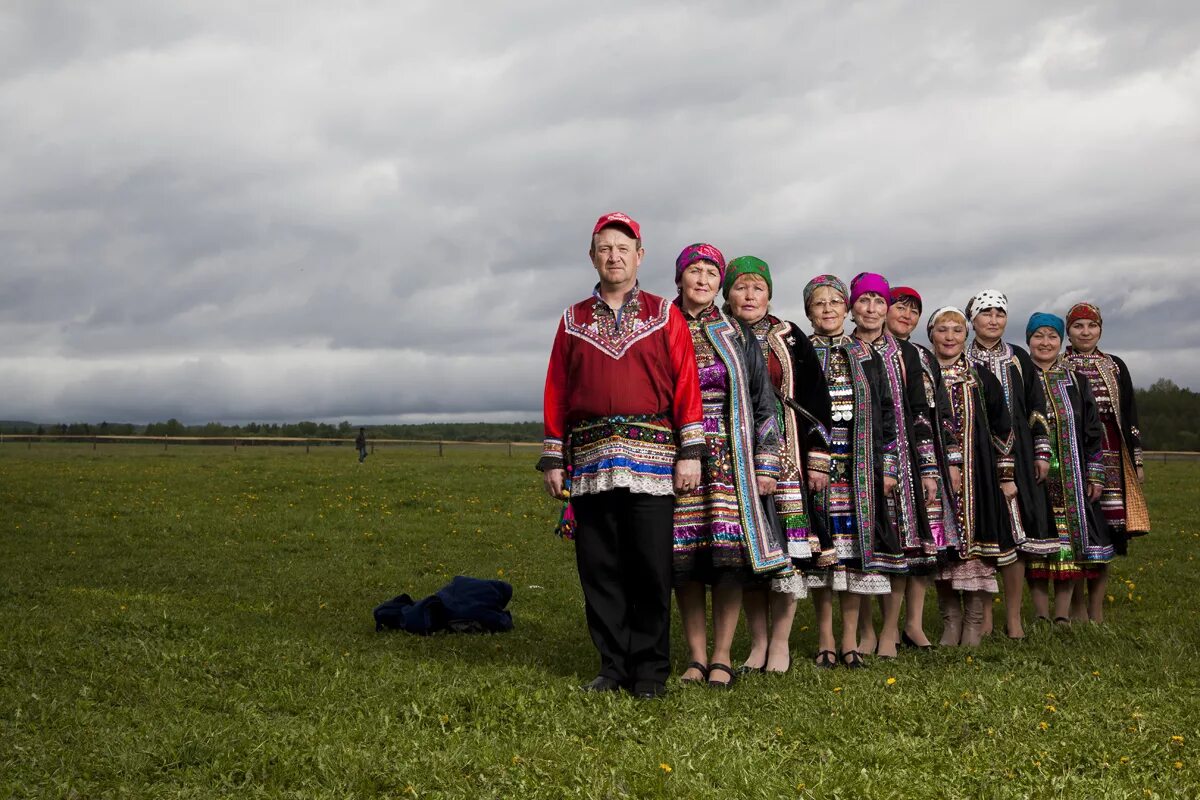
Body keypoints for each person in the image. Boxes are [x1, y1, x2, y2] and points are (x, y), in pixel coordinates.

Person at [538, 212, 704, 699]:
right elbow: (557, 388)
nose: (614, 256)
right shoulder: (573, 319)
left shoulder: (662, 314)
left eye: (623, 248)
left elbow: (685, 383)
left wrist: (689, 453)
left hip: (652, 457)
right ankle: (612, 666)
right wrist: (554, 458)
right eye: (604, 248)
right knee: (600, 566)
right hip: (590, 459)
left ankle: (650, 670)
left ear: (640, 256)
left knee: (650, 565)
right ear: (593, 256)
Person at [671, 245, 791, 689]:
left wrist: (766, 464)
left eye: (710, 273)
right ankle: (696, 656)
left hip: (731, 460)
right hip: (679, 457)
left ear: (718, 283)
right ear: (680, 277)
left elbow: (764, 403)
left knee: (727, 563)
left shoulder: (738, 333)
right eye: (694, 272)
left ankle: (722, 656)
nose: (702, 280)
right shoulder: (664, 324)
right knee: (683, 561)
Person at [722, 256, 832, 674]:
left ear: (769, 294)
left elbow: (816, 398)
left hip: (786, 457)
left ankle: (781, 643)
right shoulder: (719, 334)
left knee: (788, 551)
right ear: (727, 293)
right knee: (752, 552)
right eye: (740, 287)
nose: (749, 296)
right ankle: (758, 643)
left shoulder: (790, 335)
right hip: (734, 455)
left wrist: (818, 459)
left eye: (758, 288)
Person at [803, 274, 902, 668]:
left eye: (834, 302)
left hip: (859, 468)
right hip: (817, 469)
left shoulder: (866, 355)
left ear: (846, 308)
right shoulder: (802, 353)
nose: (828, 309)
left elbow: (887, 414)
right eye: (818, 303)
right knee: (824, 554)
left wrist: (889, 467)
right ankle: (825, 637)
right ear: (809, 311)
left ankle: (850, 640)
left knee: (856, 555)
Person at [848, 274, 939, 659]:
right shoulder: (843, 348)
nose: (871, 309)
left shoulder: (907, 355)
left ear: (887, 308)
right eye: (864, 301)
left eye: (878, 302)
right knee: (862, 545)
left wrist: (929, 467)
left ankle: (890, 631)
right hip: (855, 459)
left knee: (902, 546)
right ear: (852, 306)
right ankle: (864, 628)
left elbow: (922, 413)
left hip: (902, 460)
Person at [965, 289, 1052, 640]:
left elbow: (1036, 406)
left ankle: (1014, 617)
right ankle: (984, 615)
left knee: (1018, 539)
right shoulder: (962, 358)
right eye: (985, 313)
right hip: (978, 456)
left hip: (1022, 456)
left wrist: (1042, 452)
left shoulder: (1018, 359)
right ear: (972, 320)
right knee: (987, 535)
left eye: (999, 314)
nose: (993, 320)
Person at [928, 307, 1018, 646]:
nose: (950, 337)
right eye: (942, 330)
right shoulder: (923, 373)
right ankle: (950, 621)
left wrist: (1005, 476)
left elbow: (1003, 429)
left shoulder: (979, 377)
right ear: (931, 334)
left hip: (977, 478)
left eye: (957, 330)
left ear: (966, 336)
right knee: (942, 550)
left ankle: (974, 622)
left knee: (978, 550)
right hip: (935, 475)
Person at [1024, 313, 1114, 623]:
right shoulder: (1020, 377)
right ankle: (1040, 614)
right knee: (1037, 541)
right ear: (1029, 341)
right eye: (1039, 336)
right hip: (1034, 474)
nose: (1045, 342)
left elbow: (1092, 431)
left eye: (1052, 336)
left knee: (1069, 542)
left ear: (1061, 342)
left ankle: (1061, 615)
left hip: (1071, 476)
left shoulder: (1076, 381)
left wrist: (1095, 472)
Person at [885, 287, 962, 648]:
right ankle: (881, 627)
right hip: (883, 455)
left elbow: (941, 413)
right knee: (891, 541)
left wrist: (947, 461)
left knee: (923, 545)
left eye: (914, 311)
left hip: (922, 458)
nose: (906, 315)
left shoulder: (923, 357)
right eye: (900, 307)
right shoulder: (868, 349)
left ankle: (913, 623)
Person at [1064, 302, 1150, 621]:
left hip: (1113, 453)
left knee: (1107, 531)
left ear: (1100, 329)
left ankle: (1096, 608)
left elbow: (1129, 414)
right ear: (1068, 331)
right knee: (1075, 530)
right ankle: (1074, 606)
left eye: (1091, 326)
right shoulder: (1059, 363)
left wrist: (1137, 461)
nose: (1085, 332)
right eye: (1078, 326)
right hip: (1072, 453)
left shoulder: (1115, 366)